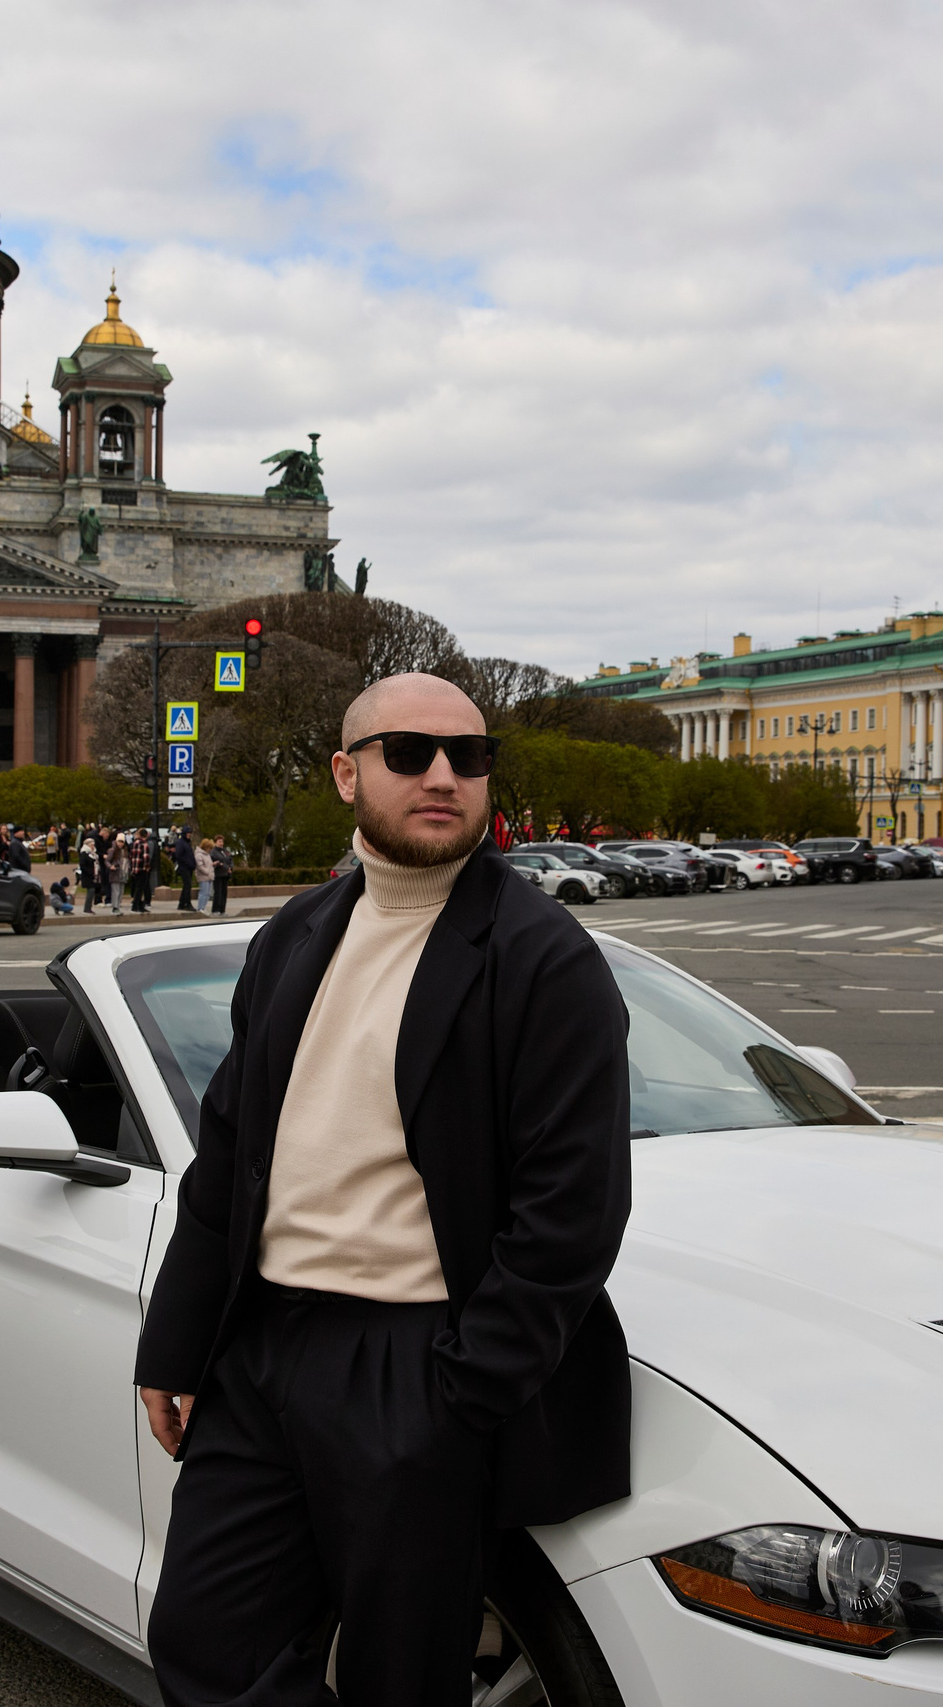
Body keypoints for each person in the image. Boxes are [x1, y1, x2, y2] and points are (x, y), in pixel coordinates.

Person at [135, 673, 631, 1707]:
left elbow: (572, 1214)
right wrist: (177, 1344)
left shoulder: (543, 957)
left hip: (415, 1365)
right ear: (345, 774)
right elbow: (230, 1153)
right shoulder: (295, 935)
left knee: (399, 1680)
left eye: (470, 756)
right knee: (204, 1643)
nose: (444, 776)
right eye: (409, 753)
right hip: (262, 1351)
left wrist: (458, 1397)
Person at [175, 824, 201, 911]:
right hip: (184, 867)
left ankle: (181, 903)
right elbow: (179, 855)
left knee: (187, 886)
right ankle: (187, 903)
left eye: (190, 833)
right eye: (188, 833)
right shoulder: (181, 843)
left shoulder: (187, 843)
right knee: (187, 886)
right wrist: (188, 863)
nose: (189, 835)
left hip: (189, 867)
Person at [210, 838, 233, 918]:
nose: (221, 843)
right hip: (218, 874)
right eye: (219, 841)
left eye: (222, 841)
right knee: (218, 893)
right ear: (215, 842)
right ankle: (215, 910)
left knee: (224, 893)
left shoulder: (225, 851)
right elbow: (213, 862)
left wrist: (230, 867)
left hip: (225, 875)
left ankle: (222, 910)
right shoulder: (213, 852)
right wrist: (220, 865)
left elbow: (230, 860)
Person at [195, 836, 217, 913]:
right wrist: (207, 871)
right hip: (203, 876)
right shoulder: (199, 855)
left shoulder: (207, 855)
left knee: (208, 894)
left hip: (209, 876)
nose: (210, 850)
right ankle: (200, 908)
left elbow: (208, 864)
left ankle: (203, 907)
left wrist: (212, 865)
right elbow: (200, 866)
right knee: (203, 893)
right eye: (209, 848)